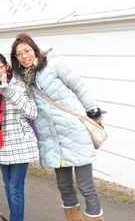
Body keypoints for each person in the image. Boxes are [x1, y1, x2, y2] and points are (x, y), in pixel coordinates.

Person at [8, 33, 105, 221]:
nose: (24, 56)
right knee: (64, 186)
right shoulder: (22, 80)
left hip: (74, 133)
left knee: (86, 186)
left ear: (34, 49)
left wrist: (93, 111)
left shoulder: (53, 64)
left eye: (26, 51)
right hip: (51, 140)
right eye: (18, 54)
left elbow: (79, 86)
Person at [0, 28, 38, 221]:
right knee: (7, 186)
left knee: (15, 188)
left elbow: (32, 112)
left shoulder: (19, 83)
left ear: (7, 66)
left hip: (20, 143)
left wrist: (10, 93)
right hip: (0, 142)